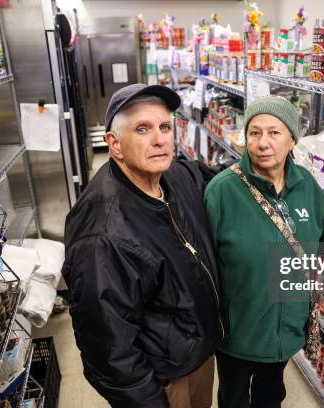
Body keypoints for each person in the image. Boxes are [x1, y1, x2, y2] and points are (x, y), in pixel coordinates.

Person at [203, 96, 324, 408]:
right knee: (233, 398)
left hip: (286, 329)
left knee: (271, 395)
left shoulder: (308, 187)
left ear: (293, 139)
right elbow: (202, 267)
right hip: (238, 331)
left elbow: (316, 245)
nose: (263, 143)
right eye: (255, 133)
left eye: (274, 133)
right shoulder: (221, 192)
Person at [62, 84, 223, 408]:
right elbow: (109, 350)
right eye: (142, 129)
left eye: (165, 126)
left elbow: (213, 179)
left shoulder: (174, 175)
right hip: (163, 379)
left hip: (199, 354)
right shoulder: (103, 235)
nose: (160, 139)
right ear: (115, 144)